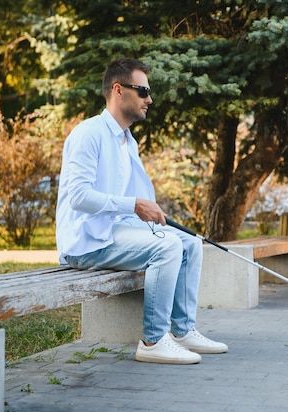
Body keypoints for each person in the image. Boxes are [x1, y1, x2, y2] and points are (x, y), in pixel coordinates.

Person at [55, 57, 227, 365]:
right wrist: (134, 205)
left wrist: (148, 215)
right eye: (143, 91)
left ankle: (183, 330)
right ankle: (152, 341)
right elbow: (78, 197)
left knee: (187, 242)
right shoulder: (89, 133)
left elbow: (133, 199)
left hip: (113, 232)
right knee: (168, 246)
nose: (150, 99)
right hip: (85, 242)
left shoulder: (126, 140)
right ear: (119, 90)